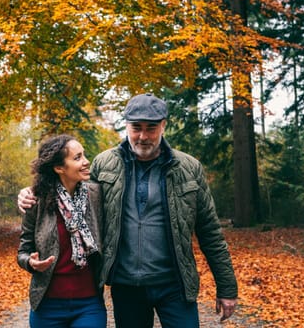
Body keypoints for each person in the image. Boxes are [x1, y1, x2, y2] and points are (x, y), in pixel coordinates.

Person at [18, 94, 238, 328]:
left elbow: (210, 232)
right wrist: (30, 193)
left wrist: (227, 287)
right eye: (136, 128)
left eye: (151, 128)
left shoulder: (188, 168)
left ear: (163, 126)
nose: (143, 136)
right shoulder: (104, 164)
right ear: (127, 126)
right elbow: (69, 187)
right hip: (126, 286)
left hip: (175, 284)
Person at [17, 134, 106, 328]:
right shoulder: (36, 201)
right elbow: (22, 252)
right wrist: (31, 263)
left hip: (89, 303)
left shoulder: (97, 195)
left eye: (83, 155)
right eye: (77, 158)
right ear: (59, 168)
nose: (86, 161)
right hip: (47, 305)